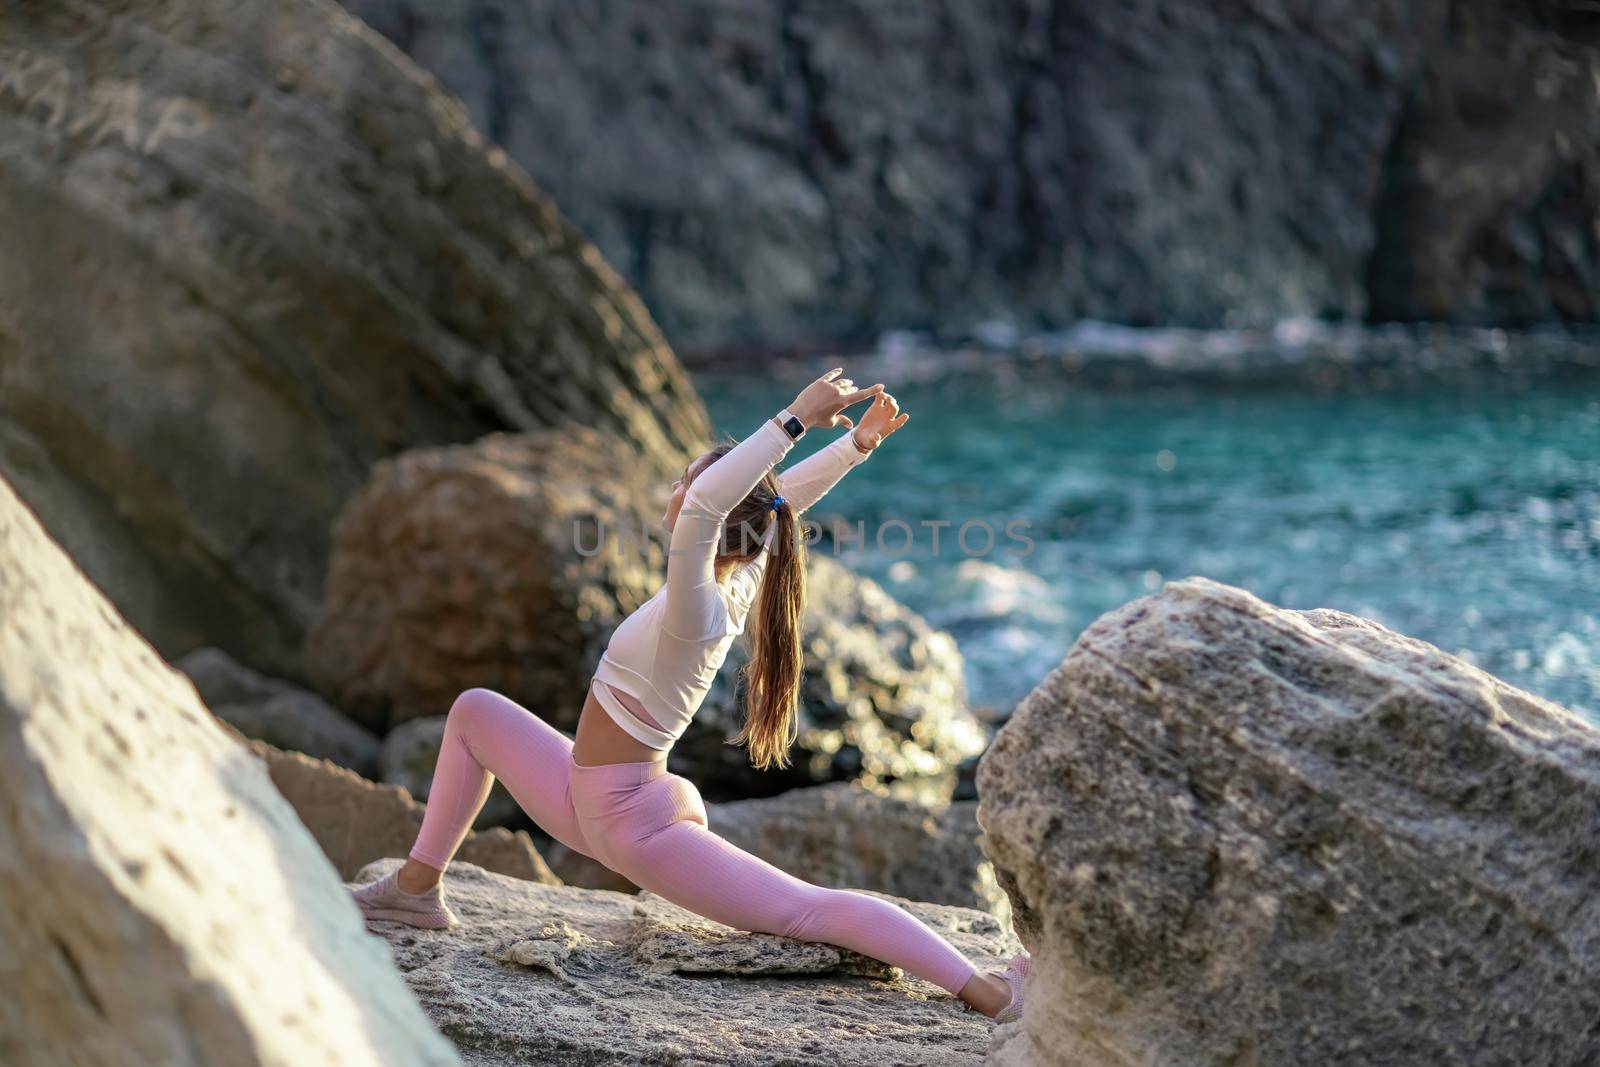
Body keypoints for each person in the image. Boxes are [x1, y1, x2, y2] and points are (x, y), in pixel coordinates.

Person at [351, 367, 1029, 1022]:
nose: (678, 488)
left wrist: (793, 418)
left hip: (634, 825)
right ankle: (416, 889)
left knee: (811, 911)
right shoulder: (734, 570)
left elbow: (720, 502)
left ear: (710, 512)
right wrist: (853, 446)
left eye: (688, 482)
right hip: (585, 797)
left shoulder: (697, 600)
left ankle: (987, 992)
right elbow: (776, 503)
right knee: (474, 712)